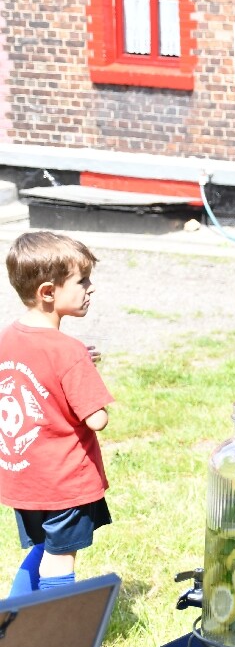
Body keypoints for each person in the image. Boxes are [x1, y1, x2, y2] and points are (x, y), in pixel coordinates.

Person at [1, 231, 113, 595]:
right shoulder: (69, 352)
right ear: (48, 292)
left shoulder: (7, 337)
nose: (90, 289)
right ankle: (50, 633)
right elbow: (97, 418)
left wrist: (78, 360)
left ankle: (14, 616)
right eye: (82, 281)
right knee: (60, 559)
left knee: (44, 547)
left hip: (24, 477)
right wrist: (83, 367)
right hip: (64, 482)